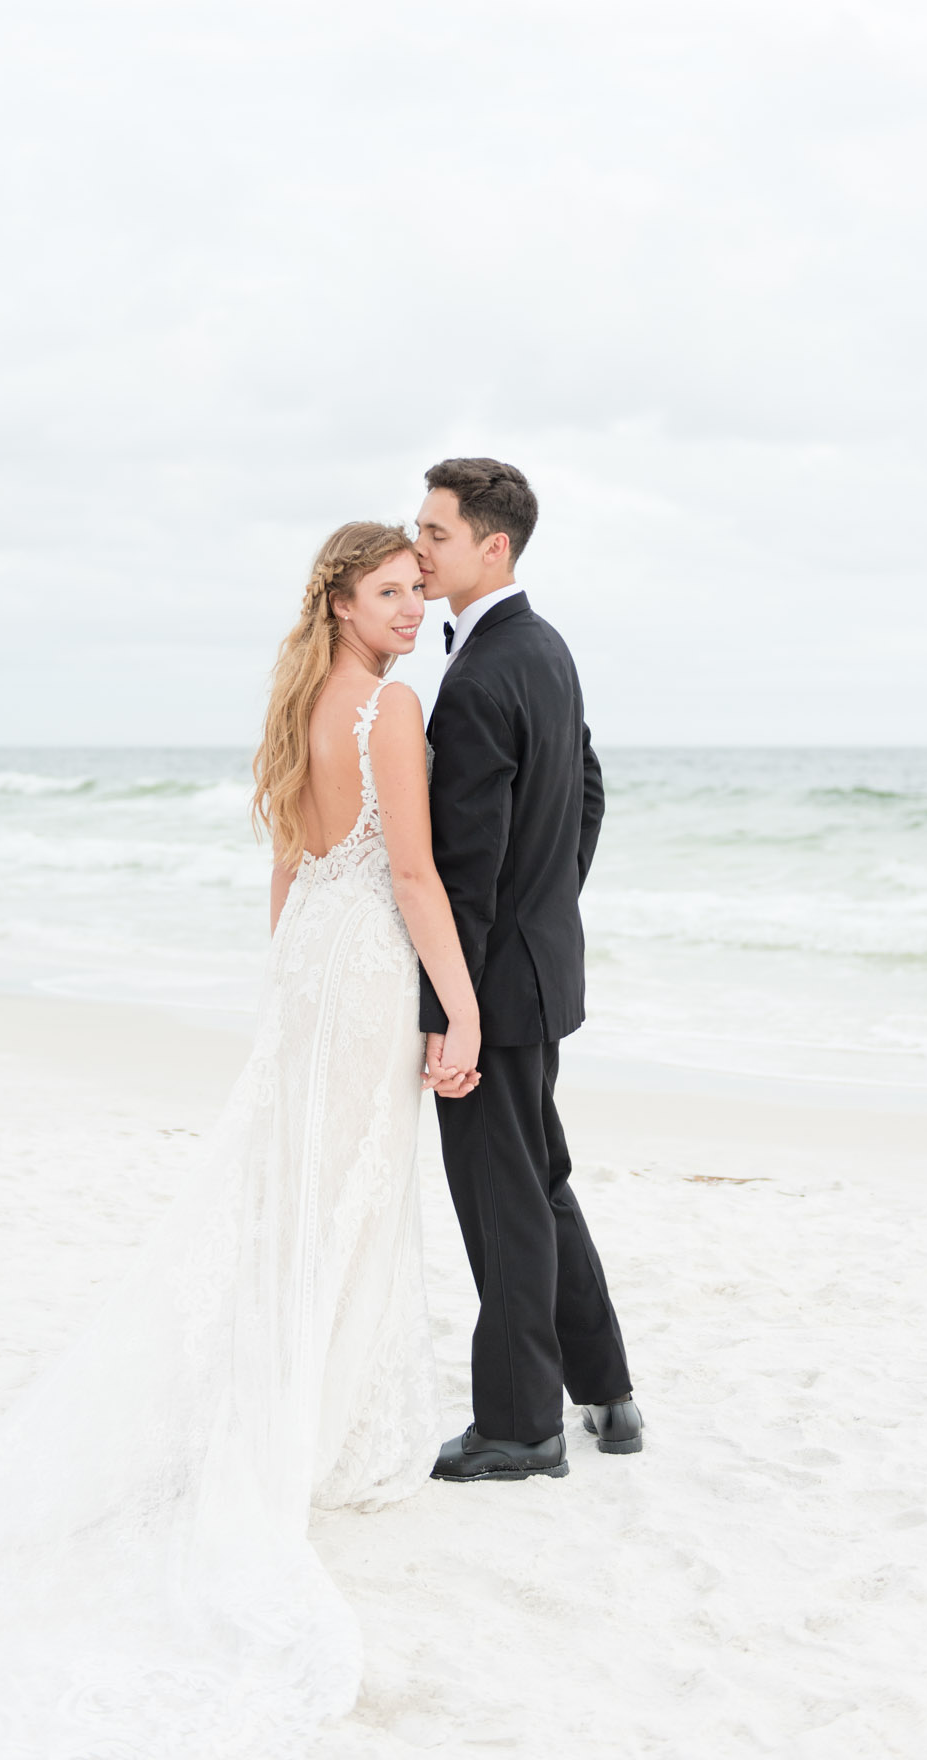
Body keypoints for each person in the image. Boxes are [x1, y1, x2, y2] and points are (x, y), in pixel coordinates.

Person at [0, 521, 479, 1760]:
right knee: (345, 1197)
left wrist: (287, 968)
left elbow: (293, 864)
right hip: (360, 972)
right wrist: (458, 1001)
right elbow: (409, 873)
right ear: (343, 604)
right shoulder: (390, 710)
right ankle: (301, 1432)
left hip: (307, 967)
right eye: (390, 591)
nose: (411, 608)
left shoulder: (301, 702)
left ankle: (284, 1413)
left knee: (292, 1196)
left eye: (416, 587)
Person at [415, 458, 643, 1479]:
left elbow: (464, 872)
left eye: (434, 533)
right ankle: (605, 1391)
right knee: (541, 1183)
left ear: (489, 545)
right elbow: (585, 793)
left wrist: (446, 1008)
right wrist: (549, 908)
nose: (416, 548)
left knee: (502, 1198)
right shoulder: (542, 649)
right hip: (539, 974)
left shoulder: (481, 674)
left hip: (492, 995)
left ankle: (520, 1424)